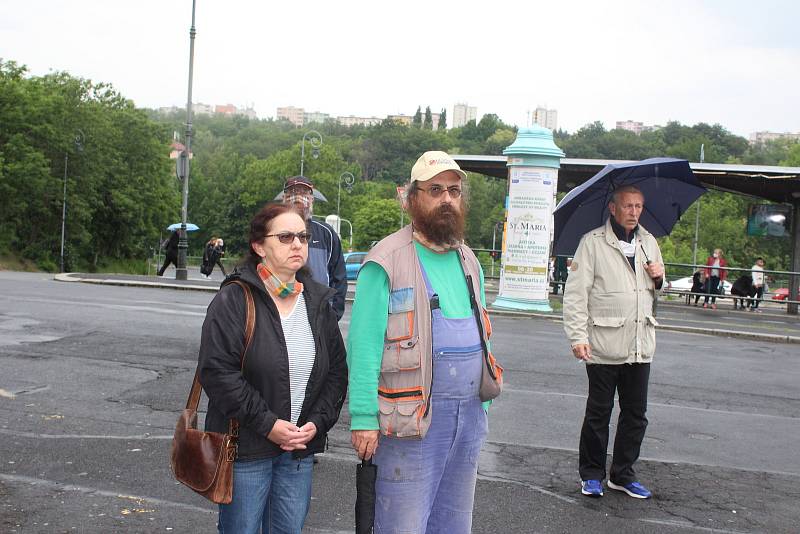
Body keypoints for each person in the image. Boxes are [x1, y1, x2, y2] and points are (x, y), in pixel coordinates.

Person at [348, 150, 503, 533]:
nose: (447, 198)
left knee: (453, 522)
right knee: (402, 524)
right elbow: (363, 347)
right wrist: (364, 419)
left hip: (467, 419)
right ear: (413, 198)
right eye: (435, 190)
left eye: (454, 190)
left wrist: (481, 408)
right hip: (409, 423)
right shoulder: (385, 261)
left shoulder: (468, 260)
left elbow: (481, 336)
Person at [197, 203, 348, 533]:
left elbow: (337, 373)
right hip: (247, 449)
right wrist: (268, 424)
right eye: (285, 237)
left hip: (298, 450)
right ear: (259, 246)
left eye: (302, 237)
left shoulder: (317, 303)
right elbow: (218, 372)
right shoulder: (235, 300)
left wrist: (317, 424)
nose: (297, 244)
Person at [563, 185, 664, 500]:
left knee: (636, 414)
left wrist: (660, 278)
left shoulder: (649, 243)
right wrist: (578, 337)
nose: (634, 212)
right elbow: (576, 295)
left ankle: (622, 474)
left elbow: (654, 291)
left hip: (639, 344)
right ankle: (592, 474)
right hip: (604, 344)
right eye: (628, 206)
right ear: (613, 208)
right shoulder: (592, 243)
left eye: (638, 206)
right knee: (599, 412)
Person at [282, 176, 347, 320]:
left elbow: (339, 277)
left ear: (312, 199)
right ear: (284, 197)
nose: (298, 196)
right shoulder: (273, 230)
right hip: (282, 311)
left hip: (320, 314)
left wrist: (333, 314)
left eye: (304, 192)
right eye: (293, 192)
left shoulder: (327, 233)